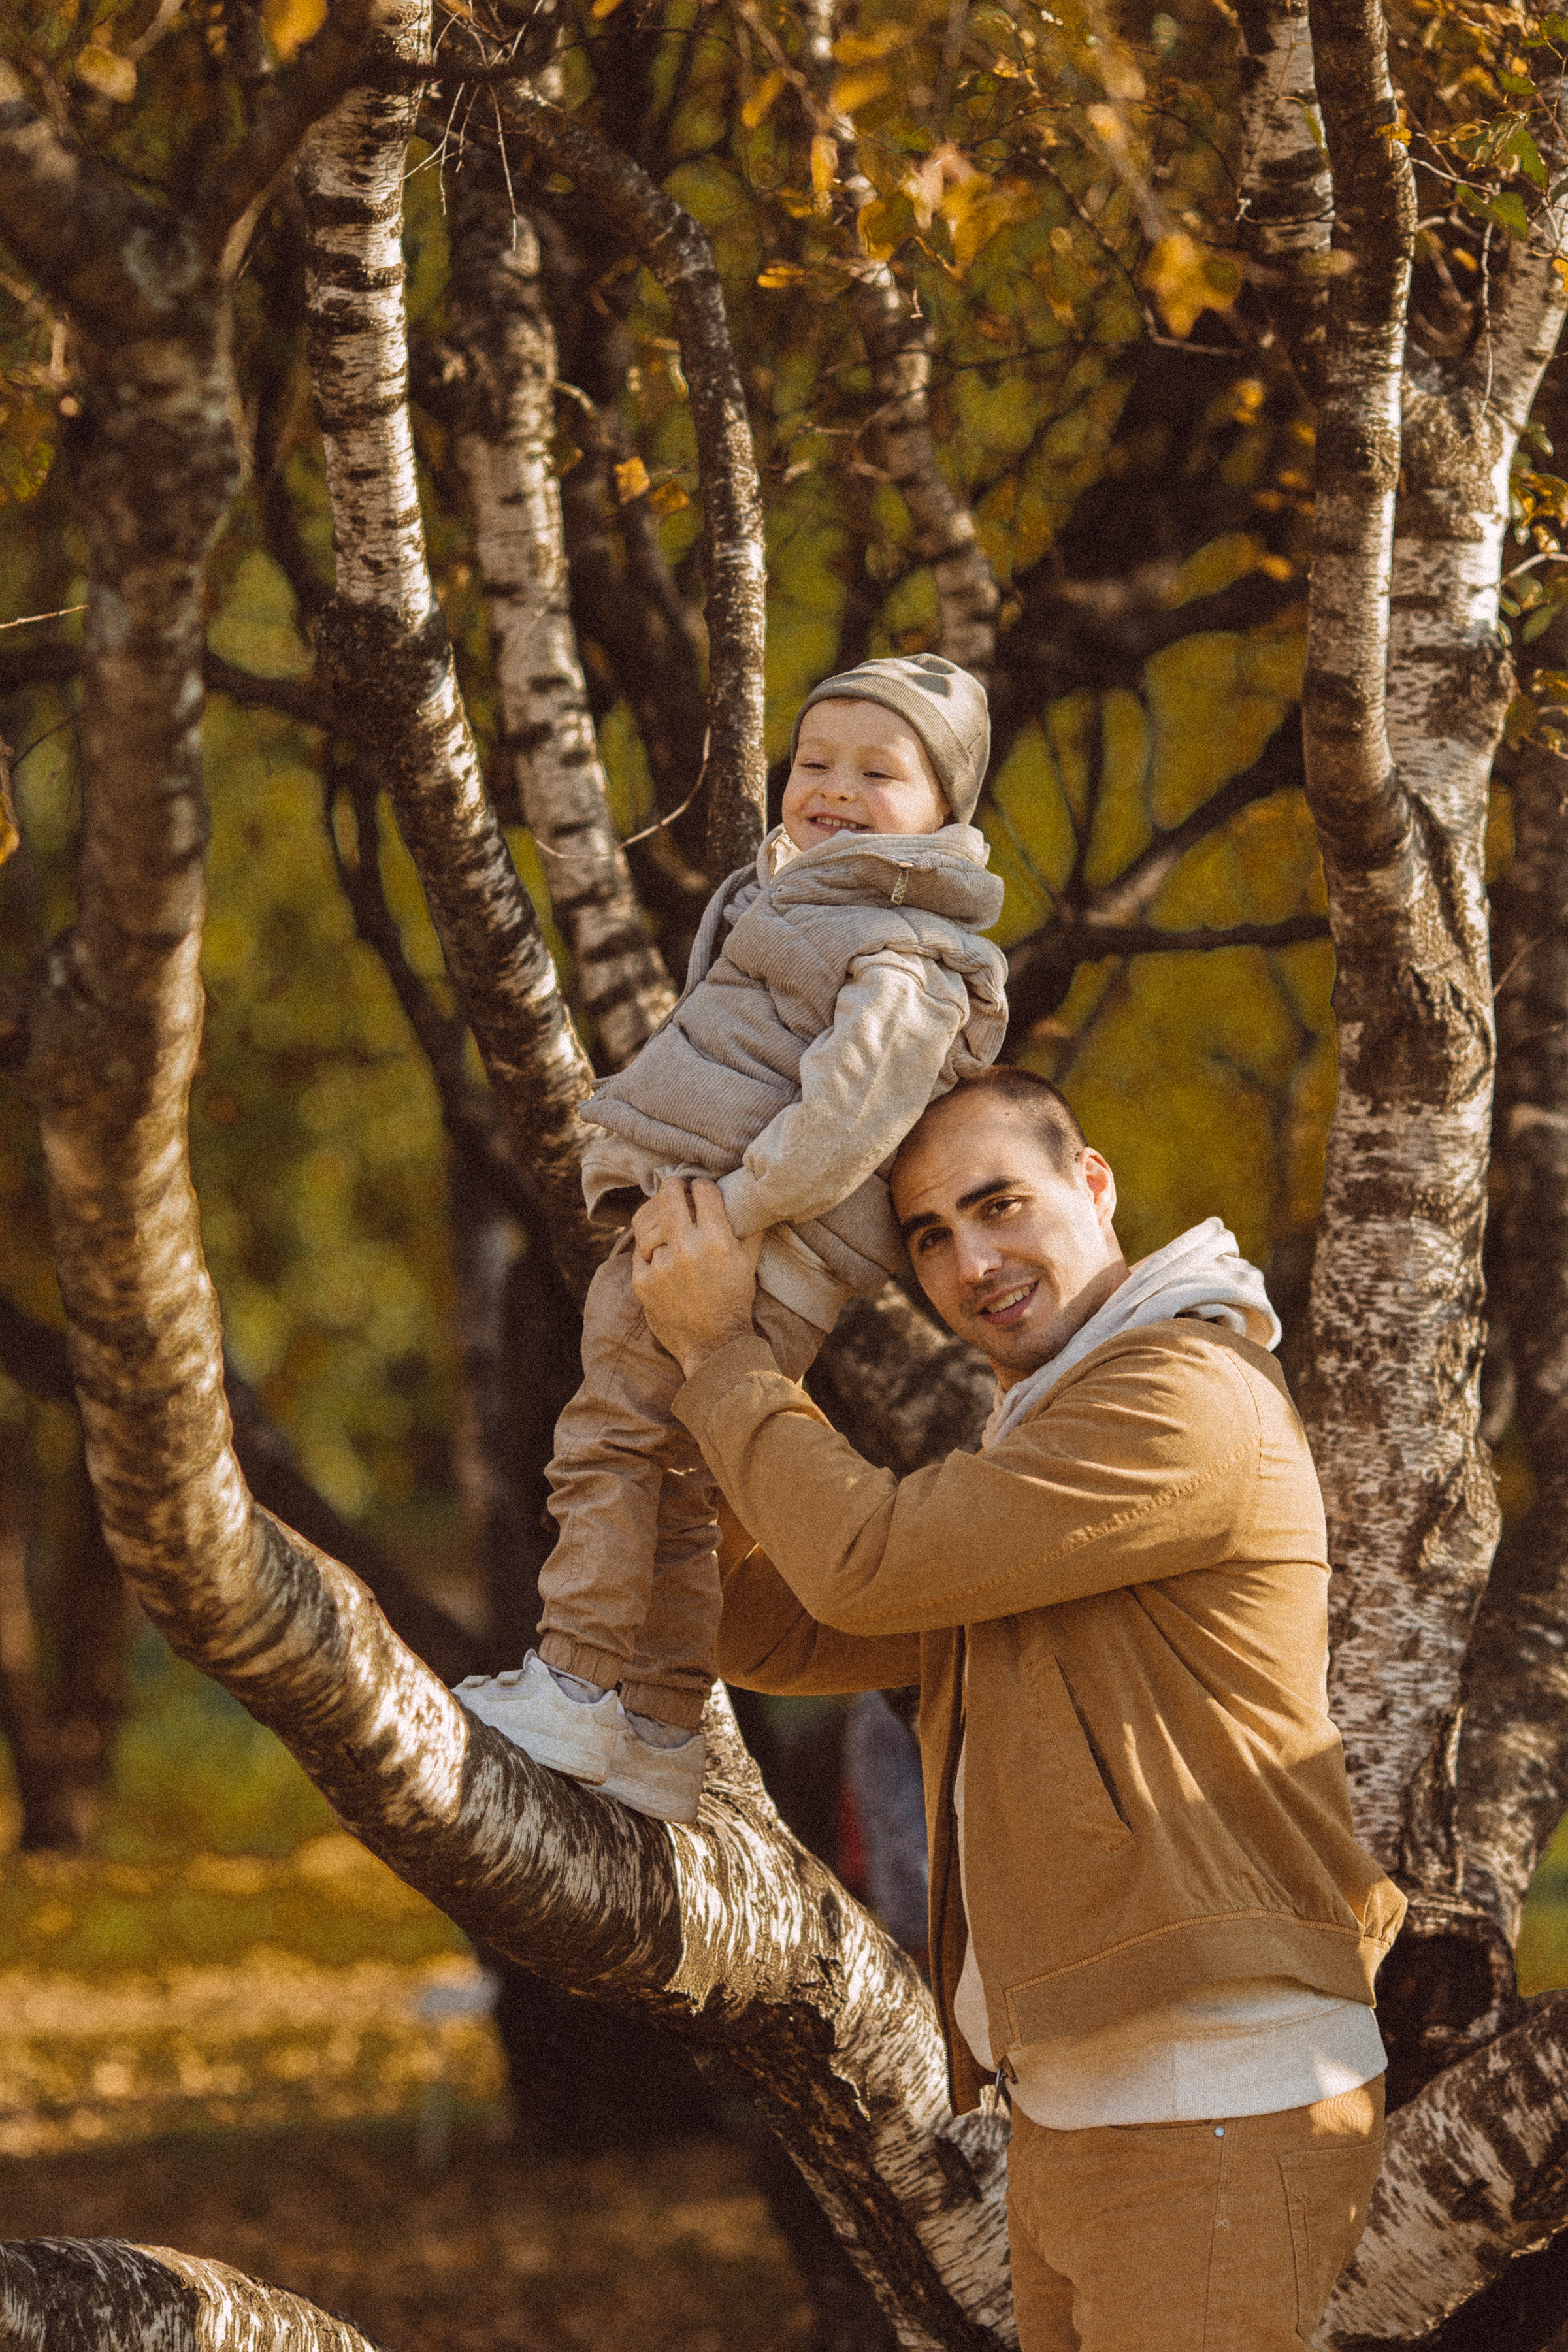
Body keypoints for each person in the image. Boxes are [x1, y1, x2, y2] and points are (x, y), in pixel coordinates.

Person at [626, 1066, 1406, 2351]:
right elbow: (777, 1623)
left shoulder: (1184, 1398)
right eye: (929, 1235)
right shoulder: (1038, 1451)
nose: (972, 1259)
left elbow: (867, 1557)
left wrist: (728, 1356)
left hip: (1214, 2097)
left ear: (1093, 1185)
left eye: (999, 1205)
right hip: (1076, 2110)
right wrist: (678, 1420)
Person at [457, 655, 1009, 1823]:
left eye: (879, 771)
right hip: (718, 1225)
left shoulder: (905, 956)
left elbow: (847, 1117)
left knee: (609, 1443)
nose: (835, 788)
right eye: (815, 763)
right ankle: (658, 1728)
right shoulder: (811, 906)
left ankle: (573, 1680)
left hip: (731, 1241)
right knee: (673, 1481)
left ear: (947, 816)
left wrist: (736, 1217)